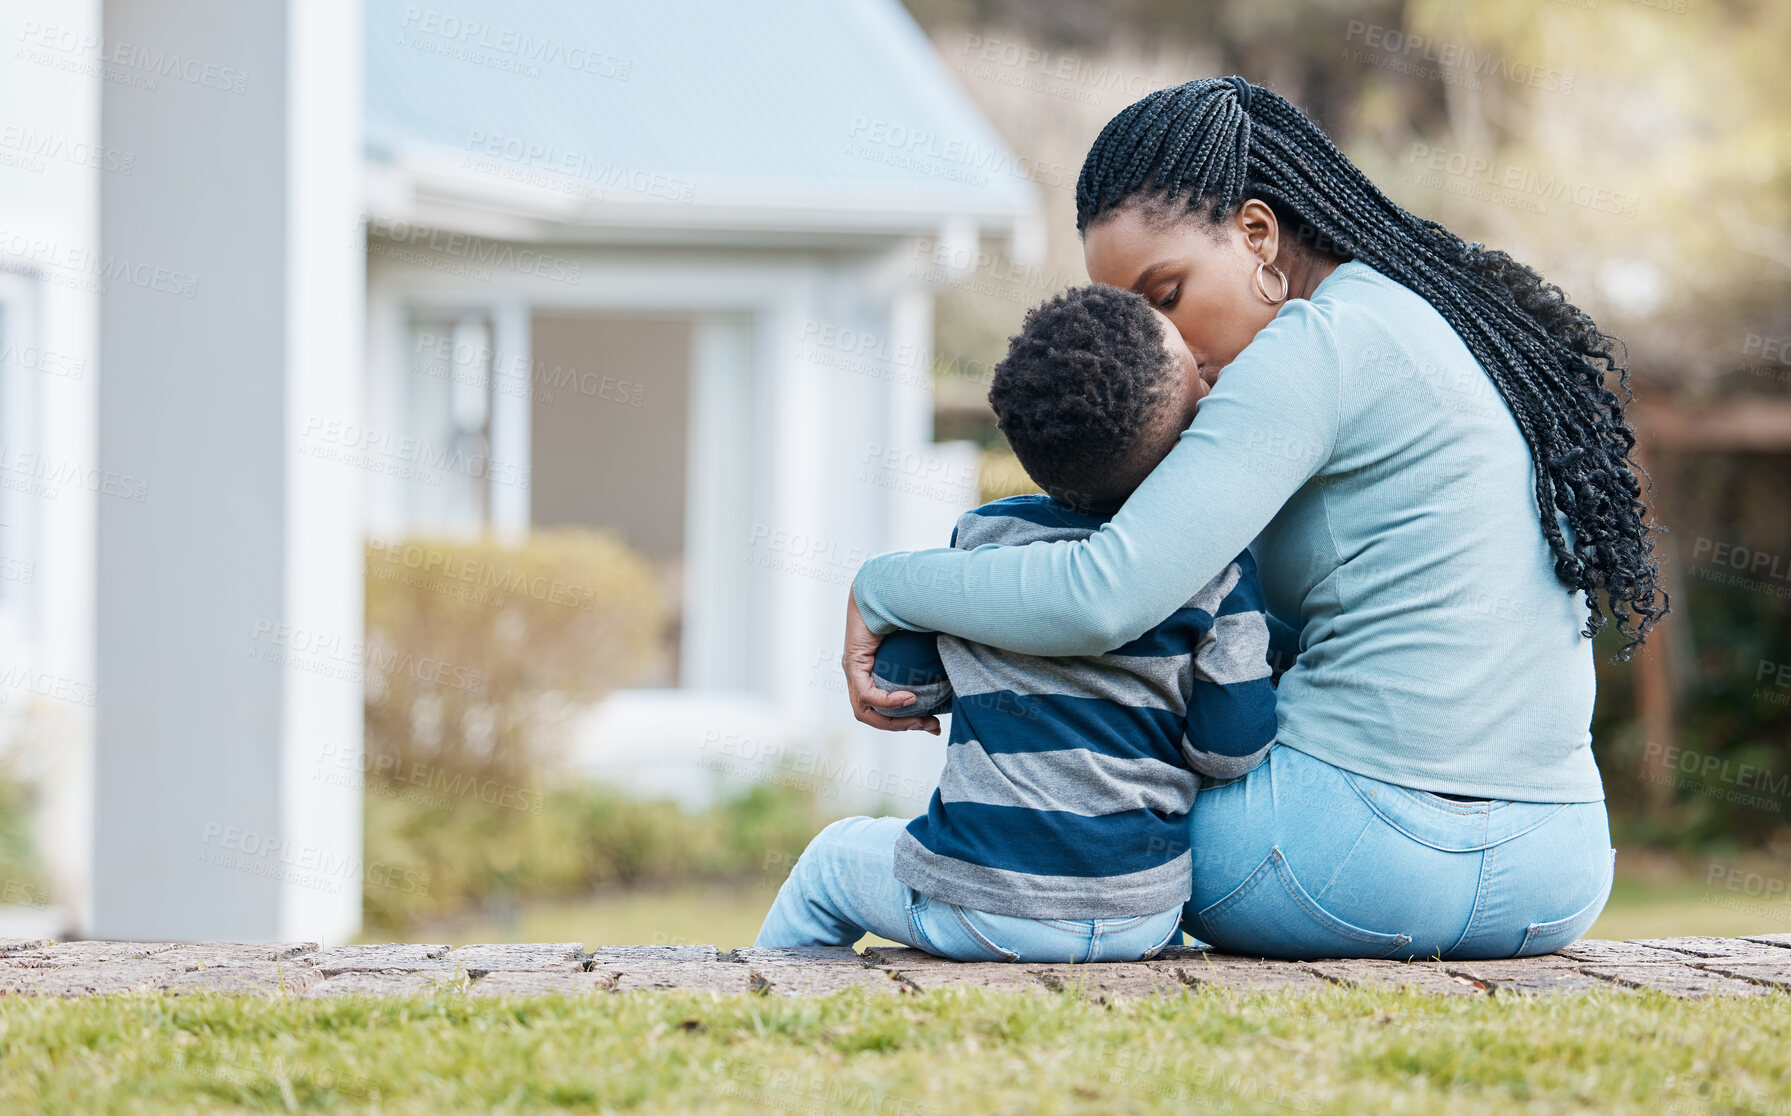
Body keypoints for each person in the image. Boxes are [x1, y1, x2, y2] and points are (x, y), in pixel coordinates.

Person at [843, 76, 1663, 961]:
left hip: (1344, 861)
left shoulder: (1310, 347)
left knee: (1078, 844)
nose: (1163, 345)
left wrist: (887, 585)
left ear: (1257, 232)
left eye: (1165, 296)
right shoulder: (1438, 324)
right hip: (1557, 868)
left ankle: (857, 876)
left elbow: (1102, 596)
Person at [756, 285, 1277, 962]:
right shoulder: (1219, 570)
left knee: (831, 859)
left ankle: (758, 1001)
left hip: (983, 907)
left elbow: (908, 683)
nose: (1209, 375)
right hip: (1140, 917)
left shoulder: (985, 537)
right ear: (1188, 444)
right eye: (1198, 374)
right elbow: (1229, 750)